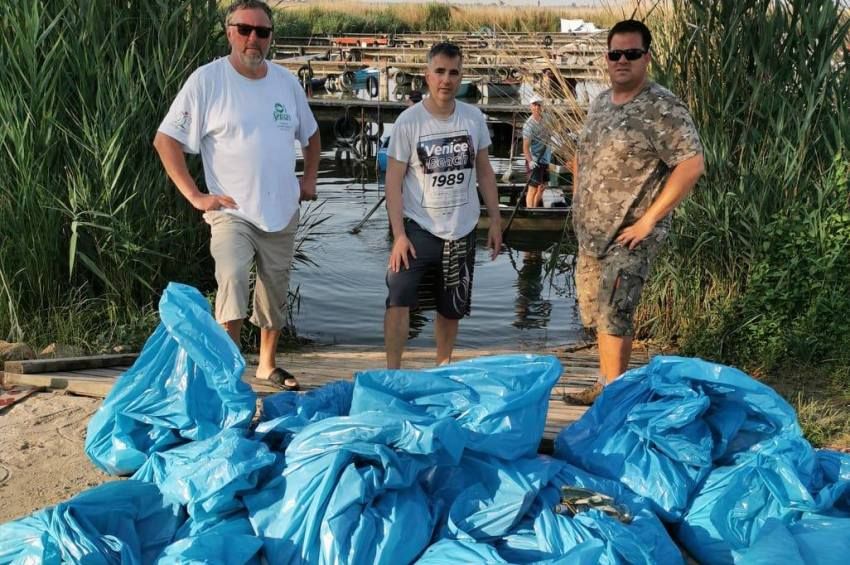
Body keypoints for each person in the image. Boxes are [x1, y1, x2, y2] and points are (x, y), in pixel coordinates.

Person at [153, 0, 320, 390]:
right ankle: (229, 370)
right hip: (231, 210)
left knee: (274, 290)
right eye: (245, 29)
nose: (253, 39)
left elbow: (311, 135)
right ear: (230, 32)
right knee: (231, 278)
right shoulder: (207, 81)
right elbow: (165, 141)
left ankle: (265, 364)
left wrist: (309, 180)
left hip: (281, 209)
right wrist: (196, 196)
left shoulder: (285, 82)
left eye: (262, 32)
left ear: (270, 38)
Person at [567, 19, 705, 404]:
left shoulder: (662, 106)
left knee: (615, 309)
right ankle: (607, 382)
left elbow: (691, 164)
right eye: (615, 54)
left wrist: (649, 220)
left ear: (646, 57)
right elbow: (585, 156)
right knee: (596, 311)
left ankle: (614, 397)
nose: (621, 60)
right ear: (606, 58)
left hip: (631, 231)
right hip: (592, 232)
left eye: (631, 53)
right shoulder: (599, 103)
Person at [384, 42, 502, 369]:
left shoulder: (473, 117)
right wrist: (398, 235)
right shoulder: (409, 122)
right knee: (397, 298)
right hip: (417, 228)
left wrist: (495, 219)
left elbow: (484, 169)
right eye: (439, 72)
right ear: (427, 75)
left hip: (461, 229)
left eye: (453, 73)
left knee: (451, 308)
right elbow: (393, 181)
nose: (446, 80)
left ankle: (443, 367)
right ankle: (392, 371)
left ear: (461, 76)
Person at [522, 95, 552, 208]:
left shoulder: (548, 118)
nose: (537, 107)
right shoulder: (529, 125)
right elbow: (525, 147)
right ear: (531, 107)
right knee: (532, 188)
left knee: (542, 187)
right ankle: (530, 210)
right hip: (534, 159)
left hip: (546, 158)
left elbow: (556, 129)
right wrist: (530, 161)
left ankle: (535, 208)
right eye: (534, 105)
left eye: (539, 104)